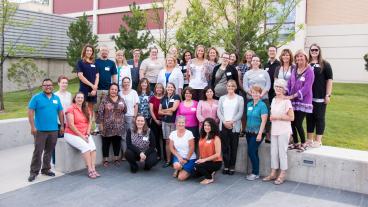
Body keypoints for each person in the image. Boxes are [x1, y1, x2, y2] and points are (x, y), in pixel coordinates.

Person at [27, 78, 64, 182]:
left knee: (49, 151)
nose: (48, 87)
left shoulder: (56, 98)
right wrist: (33, 127)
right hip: (40, 130)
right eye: (45, 85)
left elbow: (60, 112)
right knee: (38, 151)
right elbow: (30, 112)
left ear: (52, 86)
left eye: (49, 85)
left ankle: (46, 169)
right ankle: (34, 172)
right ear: (42, 87)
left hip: (53, 130)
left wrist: (62, 126)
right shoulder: (36, 98)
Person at [263, 79, 294, 185]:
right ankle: (273, 173)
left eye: (280, 87)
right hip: (275, 129)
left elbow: (292, 117)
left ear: (284, 89)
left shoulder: (287, 101)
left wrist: (278, 117)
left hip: (284, 130)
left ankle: (282, 174)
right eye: (276, 86)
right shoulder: (273, 99)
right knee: (273, 152)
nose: (278, 89)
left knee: (282, 152)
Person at [64, 92, 100, 179]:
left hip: (85, 133)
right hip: (72, 134)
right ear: (75, 99)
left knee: (93, 149)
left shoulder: (86, 108)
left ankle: (93, 168)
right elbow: (71, 125)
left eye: (81, 98)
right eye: (78, 97)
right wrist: (82, 136)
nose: (80, 99)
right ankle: (90, 169)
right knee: (86, 148)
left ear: (83, 99)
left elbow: (90, 122)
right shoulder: (71, 109)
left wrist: (87, 133)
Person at [287, 49, 314, 152]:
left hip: (303, 101)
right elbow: (290, 83)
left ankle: (303, 143)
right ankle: (295, 143)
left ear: (305, 58)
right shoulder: (294, 70)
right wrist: (286, 92)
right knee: (292, 122)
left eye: (301, 56)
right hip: (293, 100)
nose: (299, 58)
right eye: (297, 57)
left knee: (298, 123)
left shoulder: (309, 71)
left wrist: (295, 95)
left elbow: (307, 87)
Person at [306, 43, 333, 148]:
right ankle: (309, 139)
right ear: (309, 51)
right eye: (312, 50)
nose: (314, 52)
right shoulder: (307, 63)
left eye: (316, 50)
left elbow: (329, 80)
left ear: (319, 51)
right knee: (309, 118)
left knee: (320, 118)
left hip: (320, 96)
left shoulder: (325, 64)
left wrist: (328, 95)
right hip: (308, 97)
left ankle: (318, 140)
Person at [217, 80, 244, 175]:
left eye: (232, 86)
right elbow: (219, 112)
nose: (230, 88)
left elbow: (240, 113)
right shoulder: (222, 98)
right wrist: (224, 121)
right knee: (225, 147)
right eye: (228, 86)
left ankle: (232, 166)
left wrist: (232, 121)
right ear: (226, 87)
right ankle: (226, 165)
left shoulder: (240, 99)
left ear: (235, 87)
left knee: (233, 146)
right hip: (223, 125)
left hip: (234, 125)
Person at [96, 83, 127, 167]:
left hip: (119, 126)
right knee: (106, 143)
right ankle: (105, 160)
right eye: (112, 89)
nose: (114, 91)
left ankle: (116, 159)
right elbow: (100, 112)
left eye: (115, 89)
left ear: (117, 91)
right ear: (109, 90)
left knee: (117, 142)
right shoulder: (105, 100)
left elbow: (125, 110)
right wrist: (101, 124)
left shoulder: (121, 99)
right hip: (107, 126)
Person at [245, 85, 268, 181]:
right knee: (254, 152)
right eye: (253, 92)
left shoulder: (262, 105)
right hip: (249, 132)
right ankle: (257, 172)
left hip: (258, 132)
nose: (255, 94)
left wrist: (259, 133)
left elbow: (264, 121)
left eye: (257, 92)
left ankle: (255, 173)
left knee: (251, 151)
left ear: (260, 94)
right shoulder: (249, 104)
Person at [194, 118, 222, 185]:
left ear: (212, 126)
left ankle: (209, 178)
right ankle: (210, 172)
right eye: (205, 125)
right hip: (205, 160)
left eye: (209, 125)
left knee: (198, 166)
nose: (206, 127)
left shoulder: (216, 138)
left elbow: (218, 154)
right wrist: (200, 159)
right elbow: (201, 149)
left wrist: (203, 160)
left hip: (215, 162)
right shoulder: (202, 136)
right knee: (194, 174)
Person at [158, 82, 180, 168]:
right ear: (166, 88)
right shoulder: (163, 98)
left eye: (171, 87)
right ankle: (168, 161)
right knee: (167, 141)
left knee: (174, 142)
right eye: (168, 87)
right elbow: (159, 112)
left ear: (174, 89)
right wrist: (168, 112)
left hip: (174, 122)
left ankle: (175, 160)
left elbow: (174, 109)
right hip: (165, 122)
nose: (170, 89)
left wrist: (164, 111)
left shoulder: (176, 97)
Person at [169, 116, 197, 181]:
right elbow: (171, 147)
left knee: (181, 178)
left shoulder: (189, 133)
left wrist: (186, 159)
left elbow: (192, 148)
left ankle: (188, 170)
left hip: (189, 158)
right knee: (176, 166)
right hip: (179, 156)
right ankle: (179, 168)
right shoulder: (173, 133)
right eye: (179, 122)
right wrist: (178, 157)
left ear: (185, 123)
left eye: (182, 122)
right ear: (176, 123)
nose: (181, 124)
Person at [52, 75, 72, 164]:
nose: (64, 84)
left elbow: (70, 109)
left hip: (67, 123)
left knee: (65, 142)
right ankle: (55, 161)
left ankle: (64, 161)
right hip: (57, 122)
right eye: (63, 82)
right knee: (54, 143)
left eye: (66, 83)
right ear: (59, 83)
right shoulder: (54, 95)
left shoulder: (69, 95)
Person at [95, 45, 117, 120]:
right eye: (103, 50)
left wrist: (115, 88)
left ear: (108, 52)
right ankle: (97, 127)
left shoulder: (111, 63)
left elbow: (114, 76)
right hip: (97, 90)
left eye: (106, 50)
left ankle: (105, 125)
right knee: (97, 109)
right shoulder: (95, 62)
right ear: (100, 52)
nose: (104, 52)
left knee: (107, 109)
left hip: (108, 90)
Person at [120, 77, 140, 159]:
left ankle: (133, 154)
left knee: (132, 136)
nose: (126, 83)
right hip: (121, 117)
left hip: (130, 116)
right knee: (123, 136)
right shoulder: (120, 93)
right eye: (125, 82)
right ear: (122, 83)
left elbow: (136, 105)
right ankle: (125, 155)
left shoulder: (133, 92)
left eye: (128, 82)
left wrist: (134, 116)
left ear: (130, 82)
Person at [77, 44, 99, 113]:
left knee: (91, 109)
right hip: (84, 89)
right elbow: (81, 76)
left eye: (90, 51)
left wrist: (95, 88)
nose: (89, 52)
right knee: (83, 108)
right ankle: (83, 123)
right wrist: (92, 86)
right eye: (87, 50)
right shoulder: (80, 62)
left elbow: (97, 76)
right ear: (84, 52)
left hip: (93, 90)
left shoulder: (94, 63)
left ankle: (89, 123)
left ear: (92, 52)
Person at [149, 83, 165, 160]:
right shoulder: (152, 98)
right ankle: (157, 155)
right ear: (155, 89)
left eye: (160, 88)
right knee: (155, 139)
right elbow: (151, 111)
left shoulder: (165, 98)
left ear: (162, 89)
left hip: (164, 121)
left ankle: (166, 157)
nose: (159, 89)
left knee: (165, 139)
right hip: (155, 121)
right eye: (157, 88)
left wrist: (163, 120)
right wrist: (156, 120)